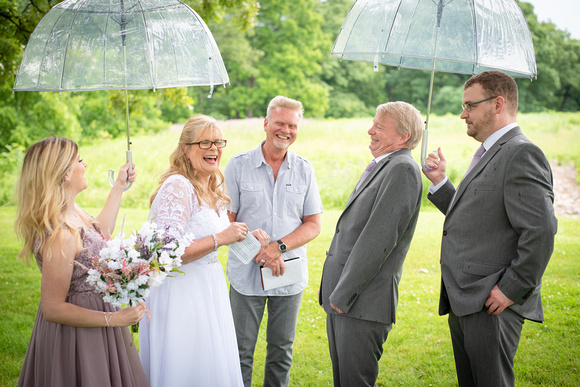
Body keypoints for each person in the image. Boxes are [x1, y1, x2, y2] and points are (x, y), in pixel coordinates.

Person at [422, 70, 558, 386]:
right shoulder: (489, 151)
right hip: (465, 298)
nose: (462, 114)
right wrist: (441, 182)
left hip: (492, 301)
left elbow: (540, 230)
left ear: (497, 104)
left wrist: (512, 288)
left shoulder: (521, 152)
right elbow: (477, 215)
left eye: (470, 105)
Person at [139, 115, 270, 387]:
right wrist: (221, 237)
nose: (214, 148)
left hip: (208, 287)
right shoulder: (178, 186)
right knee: (186, 364)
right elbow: (166, 252)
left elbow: (212, 233)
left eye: (219, 142)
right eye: (205, 142)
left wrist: (244, 236)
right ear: (185, 148)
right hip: (181, 293)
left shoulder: (208, 185)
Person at [15, 137, 147, 386]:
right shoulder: (60, 234)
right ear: (64, 174)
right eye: (79, 160)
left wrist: (119, 186)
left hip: (98, 322)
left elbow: (100, 236)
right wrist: (114, 319)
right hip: (76, 336)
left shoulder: (75, 213)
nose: (84, 164)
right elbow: (53, 308)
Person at [319, 101, 423, 386]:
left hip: (361, 301)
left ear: (403, 137)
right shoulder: (387, 165)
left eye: (379, 126)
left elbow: (378, 241)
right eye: (373, 123)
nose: (370, 130)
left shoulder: (402, 169)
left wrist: (343, 294)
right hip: (346, 298)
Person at [224, 96, 323, 387]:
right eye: (280, 123)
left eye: (293, 125)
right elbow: (226, 222)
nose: (286, 130)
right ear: (266, 123)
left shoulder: (305, 169)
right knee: (240, 352)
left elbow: (314, 224)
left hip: (288, 274)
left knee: (281, 352)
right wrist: (259, 251)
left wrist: (277, 248)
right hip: (246, 275)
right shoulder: (238, 166)